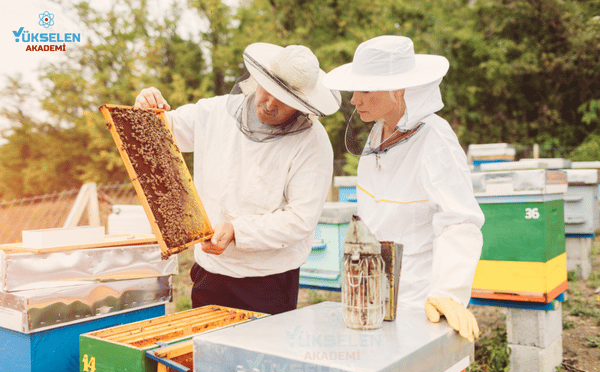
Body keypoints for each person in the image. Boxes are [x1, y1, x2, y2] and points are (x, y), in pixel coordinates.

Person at [134, 43, 341, 315]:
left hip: (269, 282)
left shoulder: (312, 143)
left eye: (284, 100)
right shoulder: (213, 113)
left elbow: (300, 218)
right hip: (210, 273)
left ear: (302, 105)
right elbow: (157, 130)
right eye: (269, 90)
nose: (269, 103)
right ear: (258, 79)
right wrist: (145, 105)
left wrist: (237, 231)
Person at [323, 35, 485, 342]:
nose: (355, 99)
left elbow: (460, 221)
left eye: (366, 89)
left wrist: (447, 292)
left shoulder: (435, 139)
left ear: (399, 89)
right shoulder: (377, 133)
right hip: (371, 288)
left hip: (418, 297)